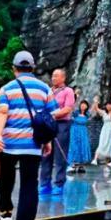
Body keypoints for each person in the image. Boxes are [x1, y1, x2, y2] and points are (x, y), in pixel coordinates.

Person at [0, 51, 57, 220]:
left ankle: (5, 211)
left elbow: (2, 112)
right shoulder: (44, 88)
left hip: (9, 143)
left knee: (6, 176)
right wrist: (48, 141)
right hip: (32, 144)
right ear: (33, 68)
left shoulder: (7, 88)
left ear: (14, 69)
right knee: (29, 184)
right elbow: (49, 117)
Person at [40, 68, 75, 198]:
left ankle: (59, 184)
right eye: (53, 76)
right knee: (46, 154)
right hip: (48, 124)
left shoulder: (68, 91)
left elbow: (68, 109)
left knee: (60, 155)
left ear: (63, 78)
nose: (53, 78)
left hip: (62, 124)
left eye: (56, 76)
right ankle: (45, 184)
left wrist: (53, 115)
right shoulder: (48, 91)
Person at [68, 100, 92, 174]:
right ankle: (73, 164)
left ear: (87, 107)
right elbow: (70, 115)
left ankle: (81, 165)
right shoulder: (75, 113)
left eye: (85, 105)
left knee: (82, 147)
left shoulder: (87, 115)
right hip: (75, 131)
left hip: (83, 132)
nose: (83, 106)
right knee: (74, 147)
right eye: (82, 104)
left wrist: (95, 104)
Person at [91, 100, 111, 166]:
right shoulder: (104, 112)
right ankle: (95, 159)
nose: (108, 106)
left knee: (110, 144)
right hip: (105, 130)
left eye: (110, 104)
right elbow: (96, 108)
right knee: (101, 143)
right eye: (107, 105)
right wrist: (96, 101)